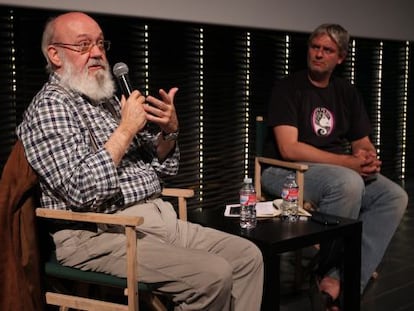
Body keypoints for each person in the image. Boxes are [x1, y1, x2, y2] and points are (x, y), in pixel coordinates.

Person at [17, 11, 263, 311]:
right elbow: (81, 191)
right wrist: (125, 129)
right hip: (98, 234)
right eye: (83, 46)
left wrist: (169, 133)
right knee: (213, 275)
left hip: (157, 221)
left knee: (248, 257)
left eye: (100, 44)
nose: (96, 53)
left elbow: (163, 169)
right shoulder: (50, 108)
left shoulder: (105, 98)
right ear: (54, 54)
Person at [261, 23, 407, 308]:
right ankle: (328, 271)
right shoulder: (288, 88)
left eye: (327, 50)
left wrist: (366, 157)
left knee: (394, 196)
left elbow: (361, 140)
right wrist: (348, 164)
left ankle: (344, 278)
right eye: (315, 47)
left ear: (340, 58)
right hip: (284, 171)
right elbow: (289, 149)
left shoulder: (346, 92)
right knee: (347, 183)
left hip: (333, 170)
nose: (318, 54)